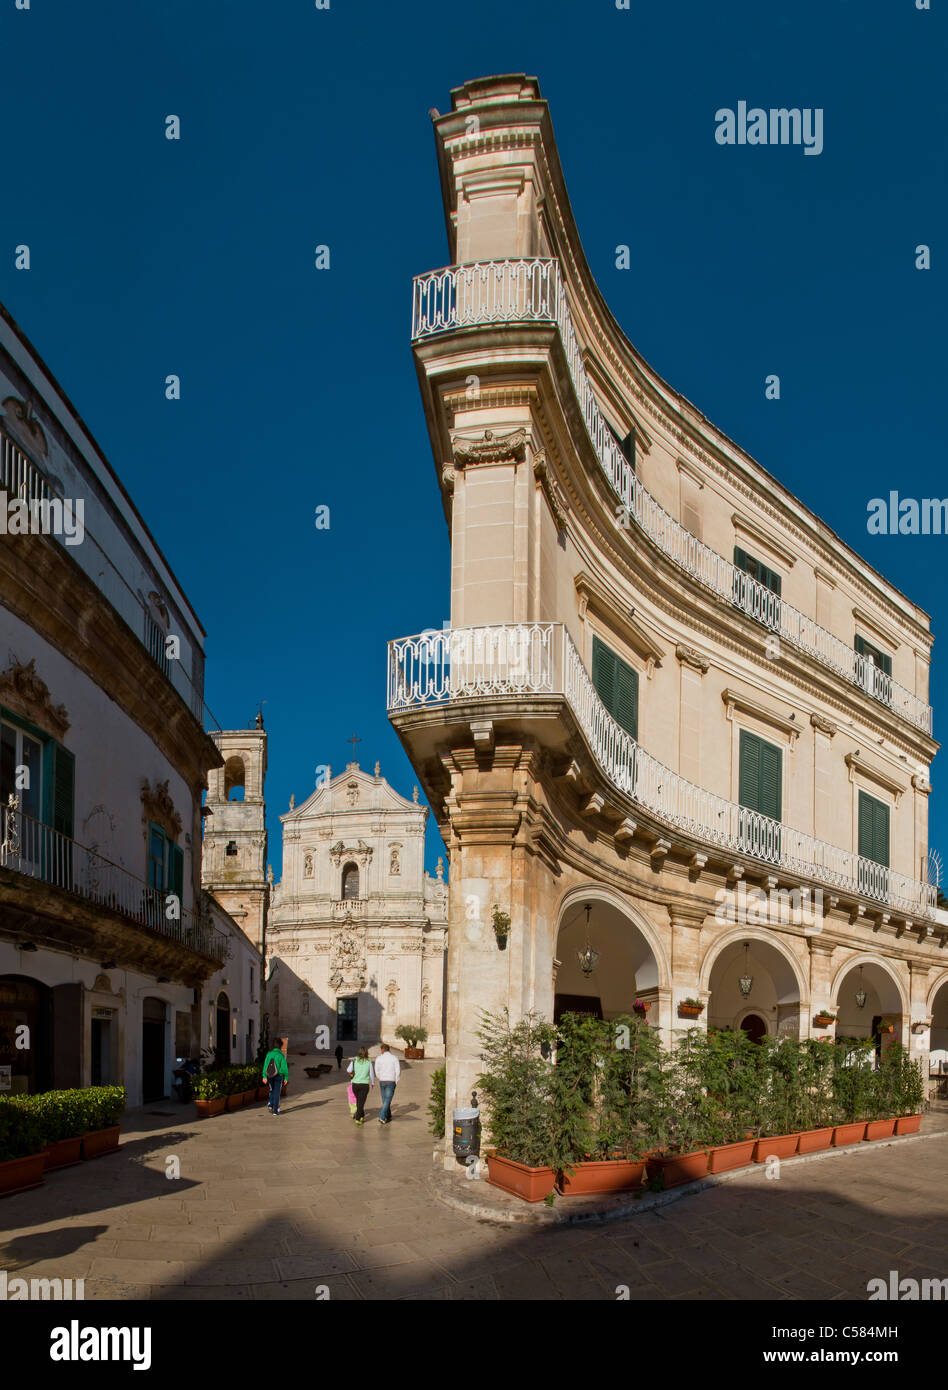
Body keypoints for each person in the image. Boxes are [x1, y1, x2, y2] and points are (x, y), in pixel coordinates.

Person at [346, 1046, 375, 1124]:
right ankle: (358, 1119)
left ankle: (361, 1115)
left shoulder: (355, 1060)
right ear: (366, 1053)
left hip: (355, 1084)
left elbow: (348, 1070)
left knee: (359, 1101)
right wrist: (372, 1083)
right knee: (361, 1102)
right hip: (364, 1085)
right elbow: (371, 1073)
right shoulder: (369, 1061)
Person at [262, 1036, 289, 1115]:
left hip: (269, 1076)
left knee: (271, 1090)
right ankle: (275, 1110)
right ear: (280, 1046)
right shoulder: (281, 1055)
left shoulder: (269, 1054)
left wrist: (264, 1076)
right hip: (278, 1076)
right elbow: (284, 1068)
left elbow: (265, 1066)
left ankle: (270, 1104)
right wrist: (286, 1077)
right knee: (277, 1092)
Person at [374, 1042, 401, 1125]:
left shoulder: (379, 1058)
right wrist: (396, 1080)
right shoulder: (394, 1058)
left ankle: (387, 1115)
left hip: (382, 1081)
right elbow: (398, 1070)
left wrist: (380, 1077)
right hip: (391, 1081)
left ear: (382, 1050)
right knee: (387, 1100)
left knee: (385, 1099)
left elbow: (376, 1070)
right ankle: (382, 1116)